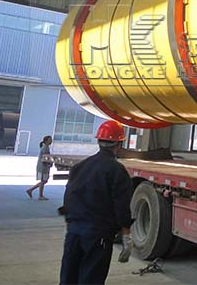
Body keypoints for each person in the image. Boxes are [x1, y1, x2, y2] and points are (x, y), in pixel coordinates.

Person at [59, 120, 133, 285]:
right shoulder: (117, 171)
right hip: (98, 236)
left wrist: (71, 224)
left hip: (74, 232)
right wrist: (126, 236)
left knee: (68, 278)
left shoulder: (79, 166)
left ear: (99, 141)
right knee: (91, 279)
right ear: (119, 144)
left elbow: (68, 198)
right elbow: (122, 207)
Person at [27, 135, 52, 200]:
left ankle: (35, 192)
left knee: (43, 181)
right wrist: (49, 163)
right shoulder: (45, 148)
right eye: (50, 140)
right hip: (43, 167)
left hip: (43, 166)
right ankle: (37, 194)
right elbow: (45, 158)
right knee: (44, 181)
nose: (51, 141)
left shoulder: (46, 147)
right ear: (46, 141)